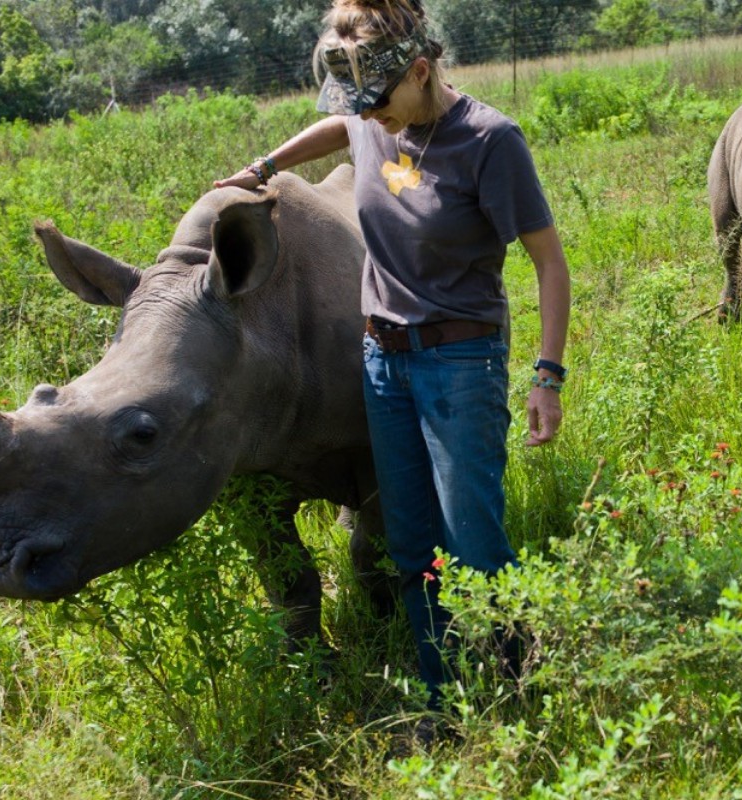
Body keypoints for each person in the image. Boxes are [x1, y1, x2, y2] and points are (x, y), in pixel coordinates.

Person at [215, 0, 571, 716]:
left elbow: (550, 265)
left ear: (420, 70)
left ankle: (513, 694)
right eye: (358, 109)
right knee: (409, 546)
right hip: (383, 362)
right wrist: (264, 166)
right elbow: (338, 126)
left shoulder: (490, 140)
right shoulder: (369, 114)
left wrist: (547, 376)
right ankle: (444, 699)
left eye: (377, 104)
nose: (367, 120)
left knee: (472, 542)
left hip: (460, 365)